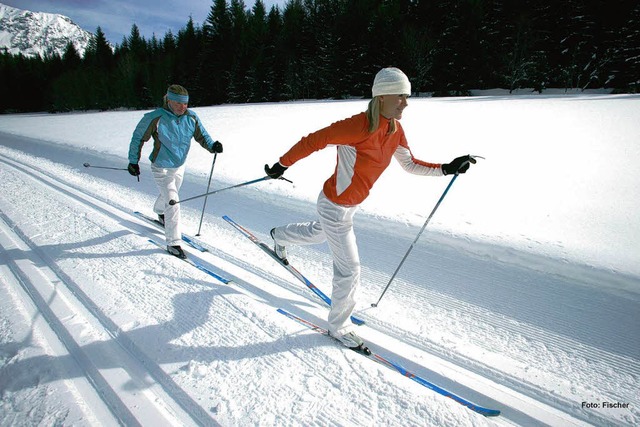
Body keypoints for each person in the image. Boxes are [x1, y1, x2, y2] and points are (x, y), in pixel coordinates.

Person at [264, 67, 475, 350]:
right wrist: (282, 164)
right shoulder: (357, 126)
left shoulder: (394, 129)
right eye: (401, 96)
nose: (406, 103)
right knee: (349, 269)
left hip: (348, 205)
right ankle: (339, 327)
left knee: (318, 234)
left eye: (406, 97)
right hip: (334, 204)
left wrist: (446, 168)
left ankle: (279, 235)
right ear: (383, 96)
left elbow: (410, 164)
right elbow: (314, 140)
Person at [127, 84, 223, 259]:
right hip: (161, 166)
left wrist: (212, 146)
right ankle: (173, 242)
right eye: (178, 103)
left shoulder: (191, 117)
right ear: (169, 100)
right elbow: (138, 138)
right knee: (173, 201)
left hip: (179, 166)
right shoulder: (155, 117)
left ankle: (160, 211)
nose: (183, 107)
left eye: (185, 103)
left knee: (170, 196)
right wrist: (133, 161)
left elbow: (202, 136)